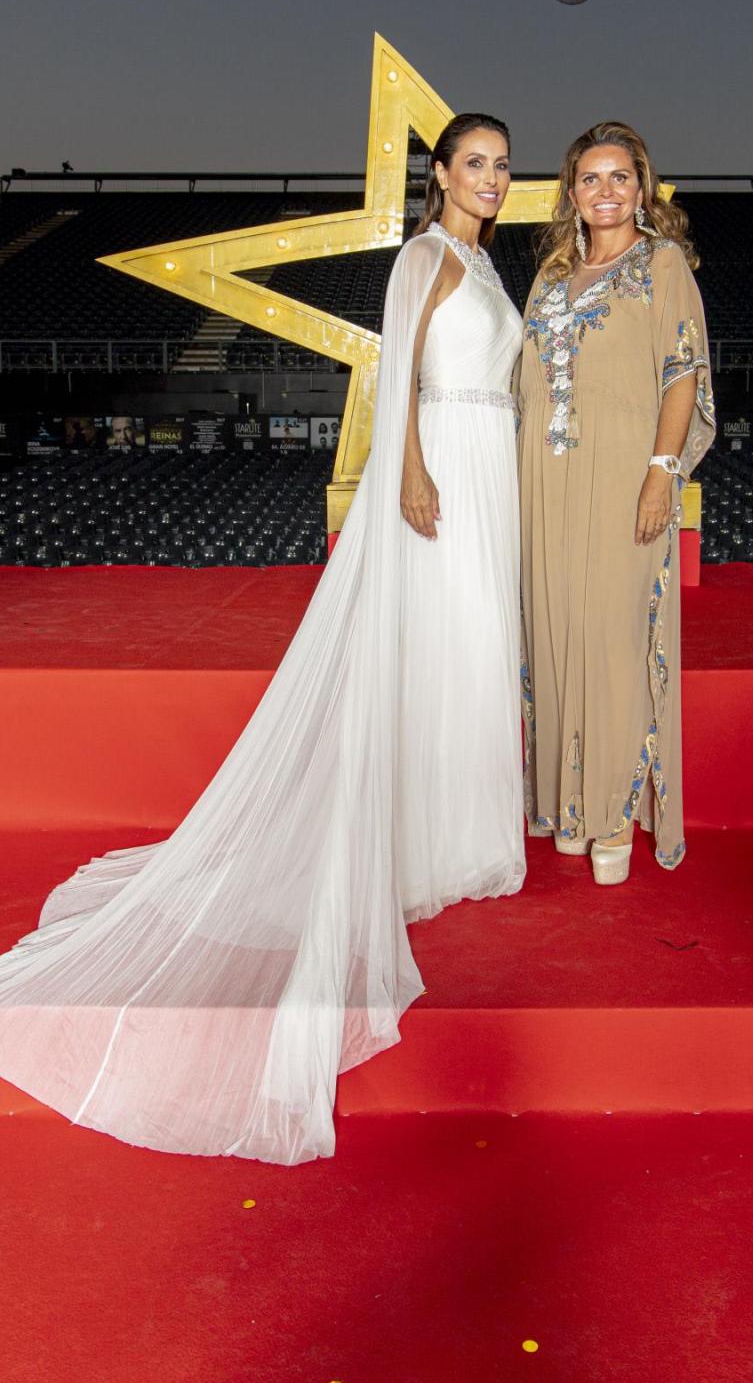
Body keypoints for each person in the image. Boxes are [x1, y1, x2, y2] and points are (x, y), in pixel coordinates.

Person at [0, 113, 525, 1165]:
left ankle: (460, 832)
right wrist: (410, 469)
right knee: (430, 646)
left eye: (504, 165)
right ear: (439, 172)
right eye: (475, 163)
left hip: (493, 462)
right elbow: (403, 369)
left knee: (475, 648)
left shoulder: (485, 264)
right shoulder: (424, 255)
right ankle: (411, 837)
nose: (493, 178)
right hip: (439, 464)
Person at [517, 123, 715, 885]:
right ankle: (569, 806)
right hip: (547, 482)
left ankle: (613, 816)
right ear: (571, 193)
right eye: (591, 179)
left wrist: (663, 473)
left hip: (626, 477)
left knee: (612, 641)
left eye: (620, 177)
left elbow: (682, 372)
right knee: (556, 633)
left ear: (642, 188)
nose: (606, 192)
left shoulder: (661, 265)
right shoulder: (550, 277)